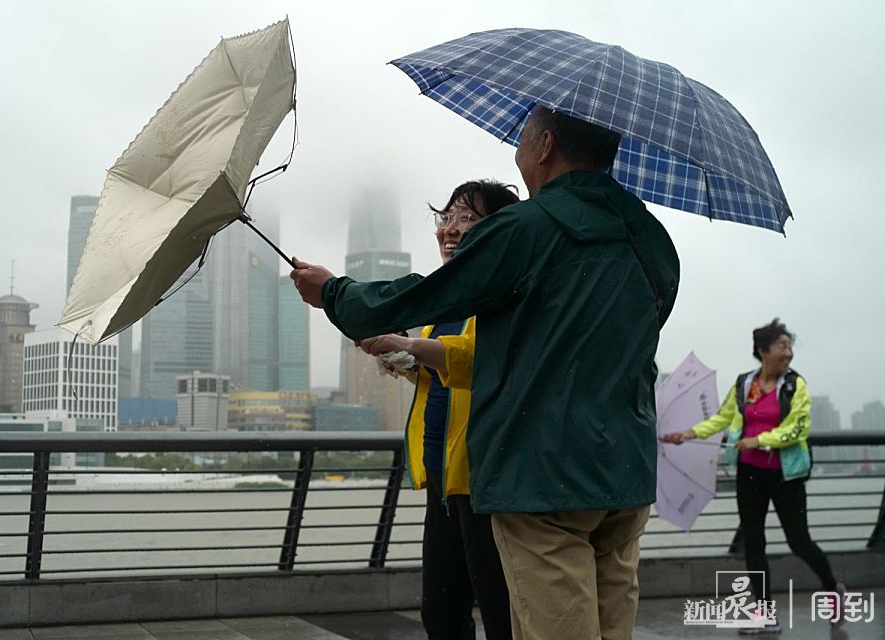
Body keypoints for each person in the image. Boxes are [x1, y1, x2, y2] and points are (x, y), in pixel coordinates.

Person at [291, 106, 680, 640]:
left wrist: (335, 292)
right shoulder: (652, 239)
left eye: (521, 140)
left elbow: (428, 293)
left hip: (543, 477)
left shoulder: (526, 229)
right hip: (626, 473)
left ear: (544, 146)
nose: (517, 153)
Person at [359, 179, 518, 640]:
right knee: (442, 613)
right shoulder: (446, 294)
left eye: (466, 218)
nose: (450, 229)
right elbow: (443, 371)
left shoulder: (504, 292)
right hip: (443, 478)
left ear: (500, 230)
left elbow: (479, 358)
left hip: (485, 477)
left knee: (501, 609)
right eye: (446, 218)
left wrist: (412, 345)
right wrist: (407, 360)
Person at [663, 319, 845, 634]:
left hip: (786, 476)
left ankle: (833, 588)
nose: (788, 353)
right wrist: (688, 433)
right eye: (782, 346)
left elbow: (798, 428)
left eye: (790, 346)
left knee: (799, 541)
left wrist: (758, 440)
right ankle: (763, 613)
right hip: (750, 475)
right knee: (754, 543)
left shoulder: (794, 385)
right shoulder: (746, 385)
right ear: (762, 351)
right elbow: (722, 419)